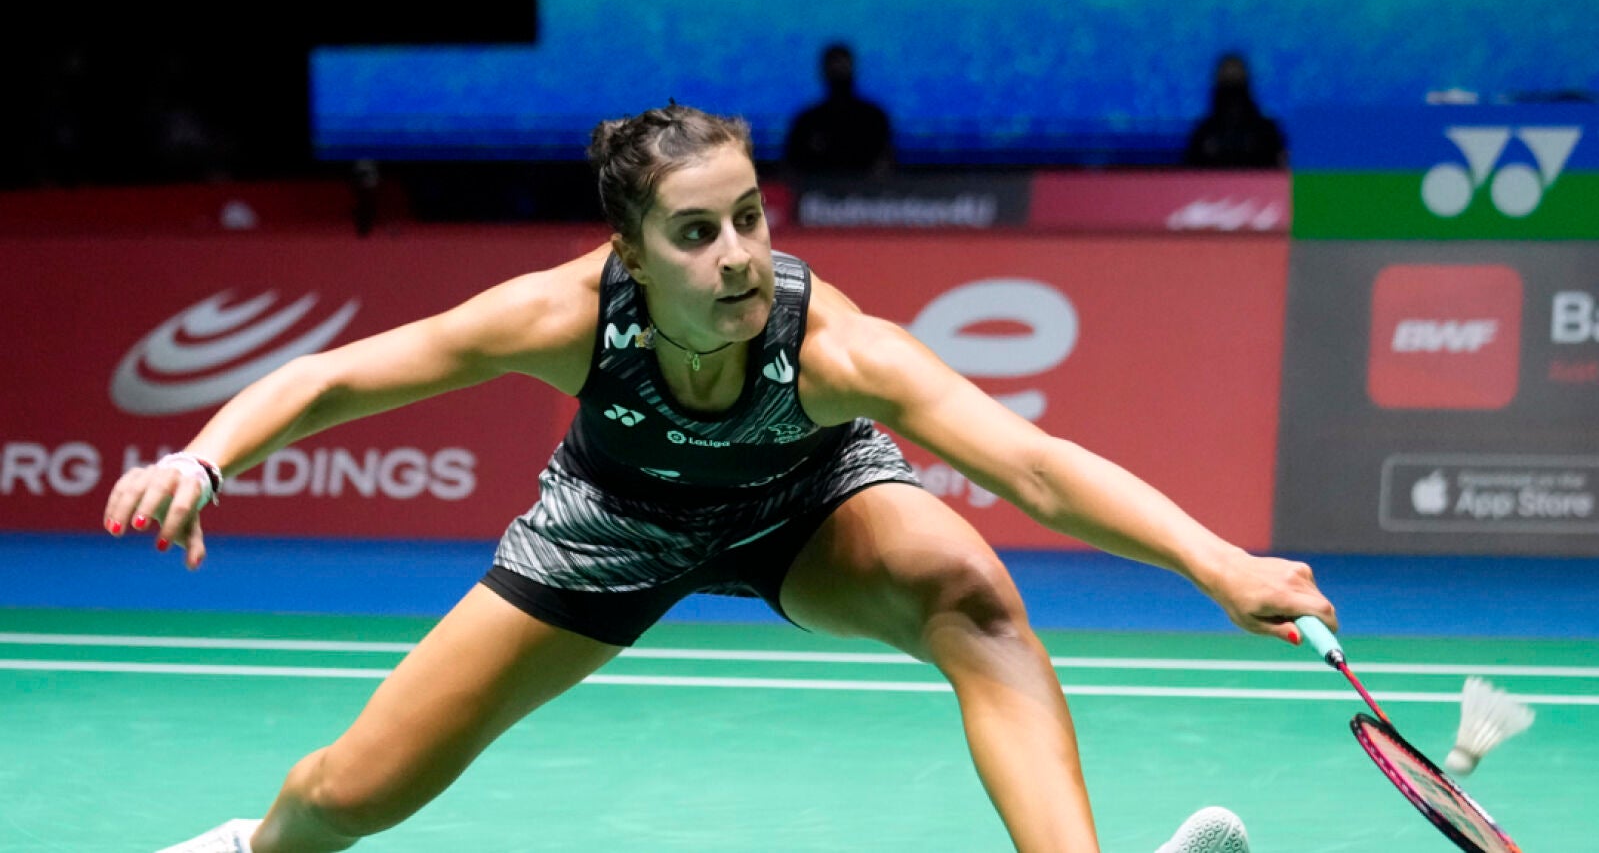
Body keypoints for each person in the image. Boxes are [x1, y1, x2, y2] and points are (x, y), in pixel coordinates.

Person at [106, 103, 1335, 853]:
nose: (739, 255)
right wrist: (206, 457)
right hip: (613, 524)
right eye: (697, 233)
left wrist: (1214, 564)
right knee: (352, 793)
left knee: (972, 597)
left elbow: (1031, 464)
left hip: (805, 499)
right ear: (632, 252)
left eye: (749, 217)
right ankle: (250, 849)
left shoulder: (833, 347)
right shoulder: (564, 316)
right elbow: (334, 378)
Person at [783, 42, 895, 175]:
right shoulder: (807, 121)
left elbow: (885, 165)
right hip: (817, 187)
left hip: (863, 188)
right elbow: (791, 168)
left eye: (843, 68)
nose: (839, 74)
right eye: (835, 69)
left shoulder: (874, 118)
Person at [1183, 52, 1287, 169]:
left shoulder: (1267, 133)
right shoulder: (1202, 134)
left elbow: (1279, 169)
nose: (1232, 95)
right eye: (1227, 82)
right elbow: (1190, 172)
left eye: (1236, 82)